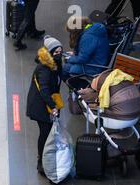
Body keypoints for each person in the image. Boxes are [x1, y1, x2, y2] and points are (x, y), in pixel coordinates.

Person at [26, 36, 63, 175]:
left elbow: (61, 77)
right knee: (45, 132)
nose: (59, 54)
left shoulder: (55, 63)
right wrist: (53, 106)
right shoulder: (44, 69)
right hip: (39, 105)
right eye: (56, 51)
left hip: (47, 102)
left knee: (49, 131)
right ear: (50, 52)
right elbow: (44, 91)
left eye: (61, 51)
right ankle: (40, 161)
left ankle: (47, 156)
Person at [63, 16, 110, 81]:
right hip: (100, 60)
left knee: (65, 68)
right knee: (66, 56)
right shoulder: (93, 28)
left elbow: (82, 59)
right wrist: (74, 54)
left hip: (94, 67)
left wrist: (70, 59)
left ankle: (79, 88)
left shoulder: (88, 37)